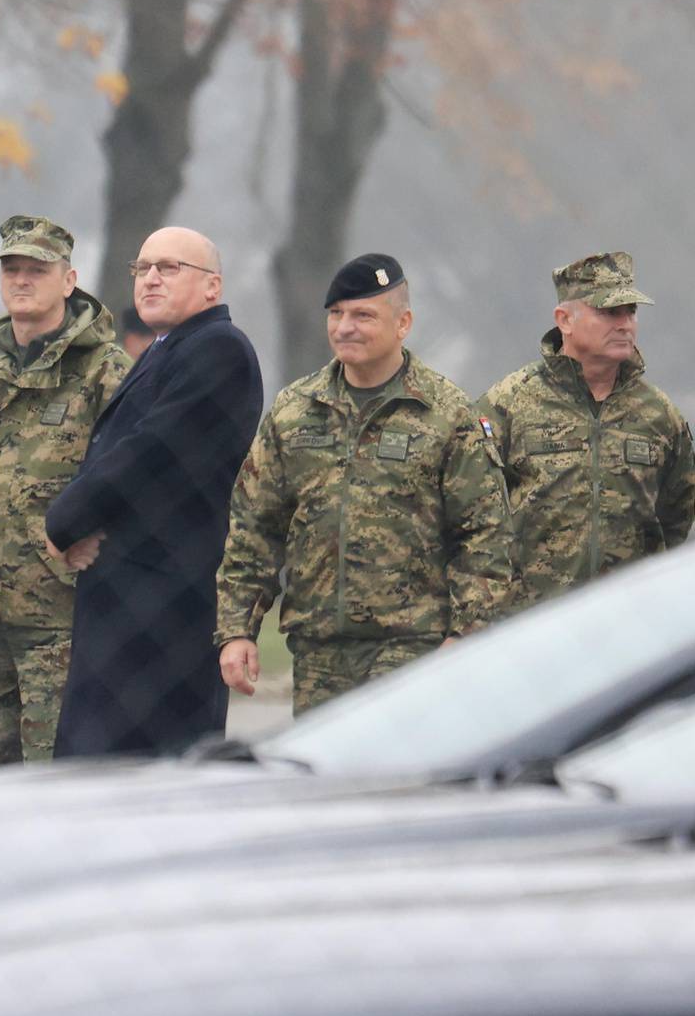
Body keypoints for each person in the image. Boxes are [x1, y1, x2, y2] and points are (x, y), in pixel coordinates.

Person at [216, 254, 513, 716]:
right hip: (318, 650)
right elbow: (255, 526)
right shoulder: (295, 411)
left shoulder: (445, 413)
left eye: (363, 315)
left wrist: (465, 633)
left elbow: (485, 535)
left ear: (403, 323)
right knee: (324, 781)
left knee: (396, 781)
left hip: (414, 648)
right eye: (336, 314)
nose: (345, 327)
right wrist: (238, 629)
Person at [46, 227, 262, 757]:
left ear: (212, 287)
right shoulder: (170, 347)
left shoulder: (219, 349)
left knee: (147, 778)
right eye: (142, 268)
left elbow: (149, 451)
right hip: (129, 600)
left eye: (169, 268)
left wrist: (65, 521)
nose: (151, 279)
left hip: (166, 610)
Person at [0, 216, 131, 766]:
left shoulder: (105, 372)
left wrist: (100, 534)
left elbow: (134, 479)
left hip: (59, 619)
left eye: (36, 270)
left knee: (53, 784)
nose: (21, 280)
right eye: (12, 269)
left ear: (69, 280)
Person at [479, 252, 695, 609]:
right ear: (564, 320)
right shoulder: (509, 404)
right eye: (609, 312)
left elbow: (676, 517)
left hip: (629, 621)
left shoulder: (658, 414)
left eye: (631, 312)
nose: (625, 323)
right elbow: (471, 513)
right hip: (531, 624)